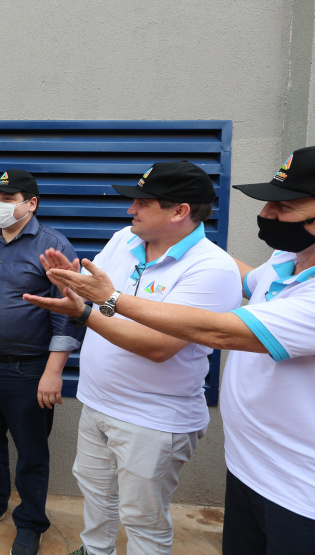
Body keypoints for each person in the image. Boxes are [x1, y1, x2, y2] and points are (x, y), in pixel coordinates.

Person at [30, 146, 315, 555]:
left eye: (143, 203)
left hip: (156, 420)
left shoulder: (210, 268)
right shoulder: (284, 262)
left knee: (143, 519)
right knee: (96, 495)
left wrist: (91, 307)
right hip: (107, 407)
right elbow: (256, 280)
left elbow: (161, 346)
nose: (131, 209)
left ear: (180, 211)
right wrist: (78, 287)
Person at [0, 170, 83, 555]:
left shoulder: (52, 246)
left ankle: (29, 522)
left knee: (30, 451)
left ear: (32, 203)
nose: (0, 204)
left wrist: (53, 372)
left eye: (9, 198)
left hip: (27, 370)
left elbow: (69, 313)